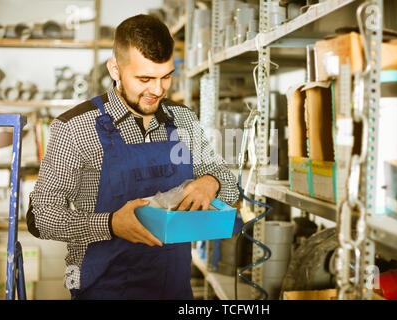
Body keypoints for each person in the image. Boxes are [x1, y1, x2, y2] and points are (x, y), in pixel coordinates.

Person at [26, 14, 239, 300]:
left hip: (173, 289)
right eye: (144, 78)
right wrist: (111, 224)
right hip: (102, 290)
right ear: (115, 69)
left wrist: (210, 181)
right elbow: (41, 218)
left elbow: (230, 183)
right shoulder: (75, 127)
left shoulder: (184, 120)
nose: (157, 90)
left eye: (166, 77)